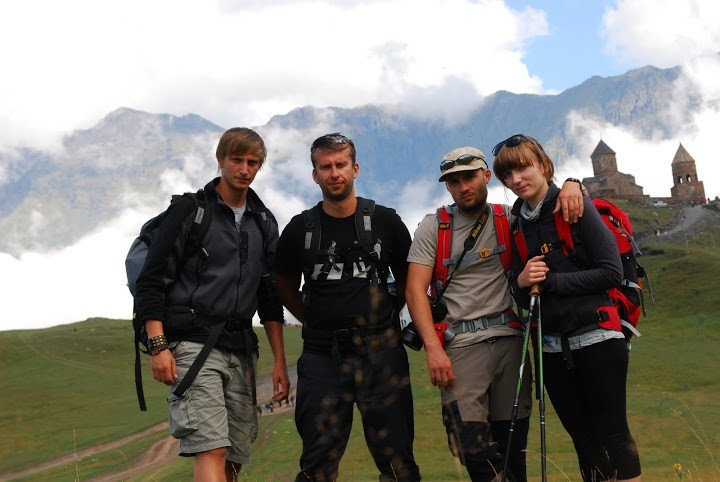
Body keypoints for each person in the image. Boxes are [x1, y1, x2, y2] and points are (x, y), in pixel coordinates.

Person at [405, 146, 583, 482]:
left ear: (487, 176)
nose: (463, 187)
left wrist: (573, 184)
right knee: (473, 450)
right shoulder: (433, 228)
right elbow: (415, 291)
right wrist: (433, 349)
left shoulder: (510, 219)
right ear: (447, 187)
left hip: (510, 344)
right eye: (454, 181)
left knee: (514, 454)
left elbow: (550, 203)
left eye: (469, 177)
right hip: (459, 348)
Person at [135, 127, 290, 482]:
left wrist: (280, 361)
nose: (244, 169)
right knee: (212, 447)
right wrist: (158, 345)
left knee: (235, 453)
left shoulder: (264, 221)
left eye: (253, 162)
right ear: (220, 160)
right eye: (237, 160)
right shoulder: (191, 211)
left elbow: (269, 299)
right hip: (192, 343)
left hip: (241, 348)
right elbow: (151, 280)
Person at [492, 134, 642, 481]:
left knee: (614, 435)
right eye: (507, 176)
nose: (516, 180)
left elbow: (611, 273)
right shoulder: (518, 222)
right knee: (583, 440)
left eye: (522, 169)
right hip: (550, 346)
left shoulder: (576, 205)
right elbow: (519, 290)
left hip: (597, 338)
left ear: (543, 166)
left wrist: (553, 283)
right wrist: (522, 281)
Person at [274, 132, 420, 482]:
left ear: (355, 169)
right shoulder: (300, 229)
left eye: (341, 165)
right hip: (323, 357)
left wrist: (384, 314)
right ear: (315, 175)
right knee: (317, 466)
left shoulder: (386, 221)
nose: (334, 173)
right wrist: (314, 319)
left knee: (398, 462)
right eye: (325, 167)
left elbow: (408, 278)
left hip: (382, 353)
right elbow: (283, 284)